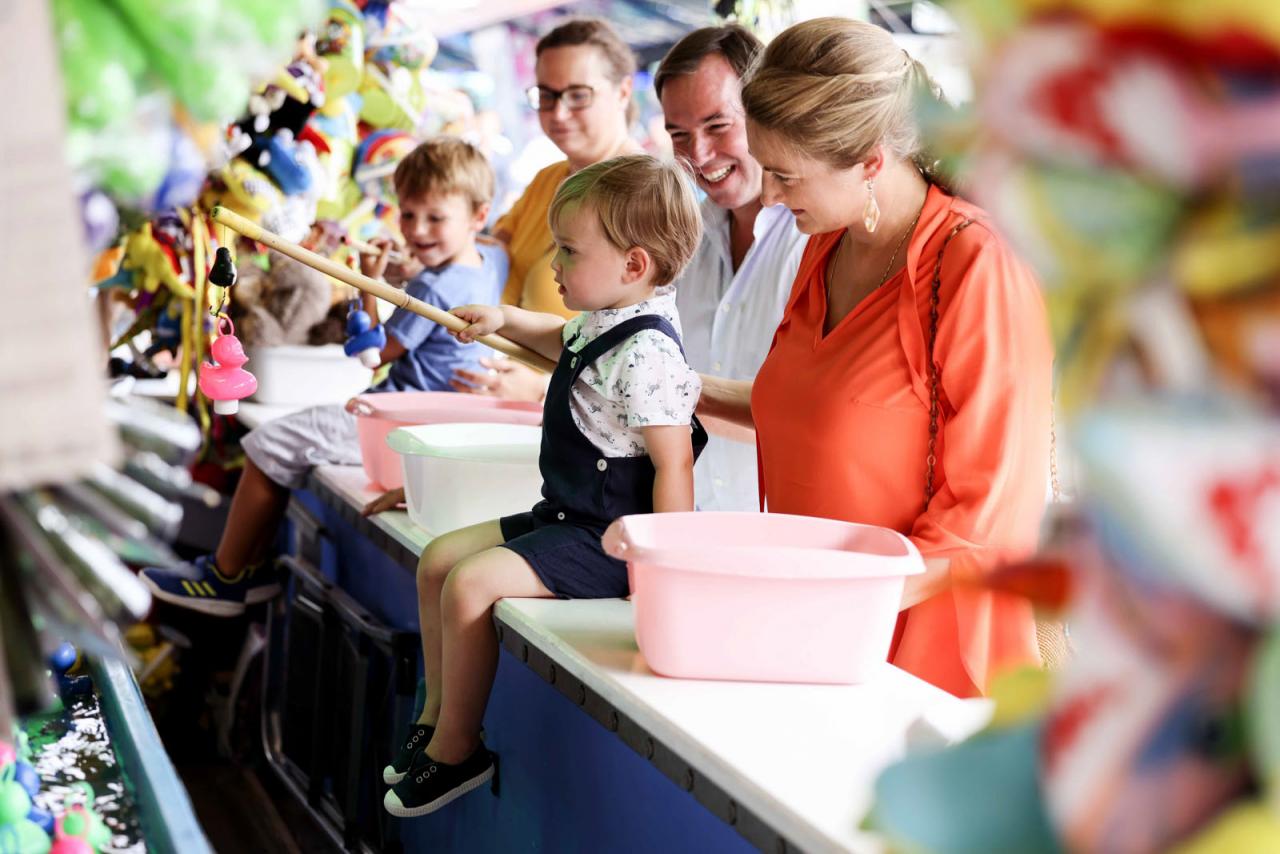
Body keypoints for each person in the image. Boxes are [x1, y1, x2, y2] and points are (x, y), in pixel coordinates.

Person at [697, 18, 1054, 698]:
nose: (767, 197)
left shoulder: (976, 264)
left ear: (868, 160)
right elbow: (807, 416)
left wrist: (822, 607)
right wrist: (673, 388)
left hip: (922, 662)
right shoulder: (824, 246)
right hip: (815, 641)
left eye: (782, 174)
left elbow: (986, 517)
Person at [382, 154, 706, 816]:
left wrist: (661, 572)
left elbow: (674, 464)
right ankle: (435, 716)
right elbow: (560, 340)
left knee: (471, 583)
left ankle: (458, 749)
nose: (553, 265)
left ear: (633, 265)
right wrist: (503, 320)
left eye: (568, 251)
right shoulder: (605, 320)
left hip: (608, 539)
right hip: (566, 516)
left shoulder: (649, 355)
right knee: (440, 558)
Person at [140, 138, 508, 615]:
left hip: (401, 425)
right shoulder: (489, 263)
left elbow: (372, 354)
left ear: (478, 216)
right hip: (441, 425)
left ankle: (227, 577)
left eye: (435, 218)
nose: (417, 230)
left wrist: (370, 283)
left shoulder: (433, 287)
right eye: (409, 215)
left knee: (266, 444)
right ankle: (250, 568)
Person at [655, 24, 808, 511]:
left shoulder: (818, 240)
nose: (698, 155)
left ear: (764, 112)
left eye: (718, 126)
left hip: (785, 533)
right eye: (679, 134)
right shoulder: (682, 236)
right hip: (690, 522)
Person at [451, 17, 642, 401]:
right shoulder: (546, 179)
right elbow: (490, 253)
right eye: (547, 95)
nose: (558, 113)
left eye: (578, 95)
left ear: (622, 92)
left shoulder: (643, 196)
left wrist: (541, 387)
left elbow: (643, 352)